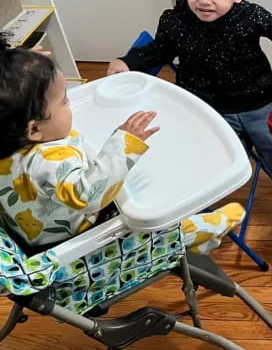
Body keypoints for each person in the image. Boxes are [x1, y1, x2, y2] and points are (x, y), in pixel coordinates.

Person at [107, 0, 272, 240]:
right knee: (206, 160)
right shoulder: (175, 20)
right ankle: (197, 217)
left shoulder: (250, 16)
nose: (205, 1)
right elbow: (157, 50)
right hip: (204, 109)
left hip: (256, 105)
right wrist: (127, 62)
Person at [0, 39, 242, 252]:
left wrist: (24, 76)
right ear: (33, 130)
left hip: (31, 229)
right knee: (152, 224)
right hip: (78, 240)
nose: (70, 103)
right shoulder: (47, 163)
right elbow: (88, 195)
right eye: (64, 101)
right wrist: (124, 144)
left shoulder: (8, 136)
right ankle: (194, 232)